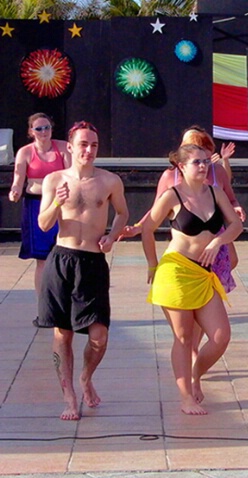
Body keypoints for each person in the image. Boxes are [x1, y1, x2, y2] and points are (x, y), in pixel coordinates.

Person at [36, 121, 129, 421]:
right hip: (62, 259)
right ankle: (69, 397)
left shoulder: (109, 181)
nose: (89, 150)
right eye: (83, 144)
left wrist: (112, 236)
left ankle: (86, 377)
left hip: (92, 262)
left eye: (94, 145)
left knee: (99, 335)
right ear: (71, 147)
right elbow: (44, 224)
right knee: (62, 335)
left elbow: (123, 213)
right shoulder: (54, 180)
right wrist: (57, 203)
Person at [142, 144, 243, 415]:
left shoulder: (215, 192)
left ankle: (196, 374)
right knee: (184, 337)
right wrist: (152, 263)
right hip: (176, 270)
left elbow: (236, 225)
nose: (202, 166)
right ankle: (186, 396)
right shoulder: (172, 196)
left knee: (221, 336)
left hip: (203, 273)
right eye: (196, 162)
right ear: (181, 167)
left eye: (205, 162)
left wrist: (218, 241)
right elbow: (147, 229)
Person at [8, 113, 71, 318]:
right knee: (42, 259)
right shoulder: (25, 152)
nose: (43, 132)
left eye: (46, 128)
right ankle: (45, 307)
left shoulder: (62, 148)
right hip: (36, 205)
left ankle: (66, 301)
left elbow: (73, 173)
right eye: (38, 129)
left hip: (61, 204)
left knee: (66, 254)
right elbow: (18, 179)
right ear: (31, 132)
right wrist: (15, 191)